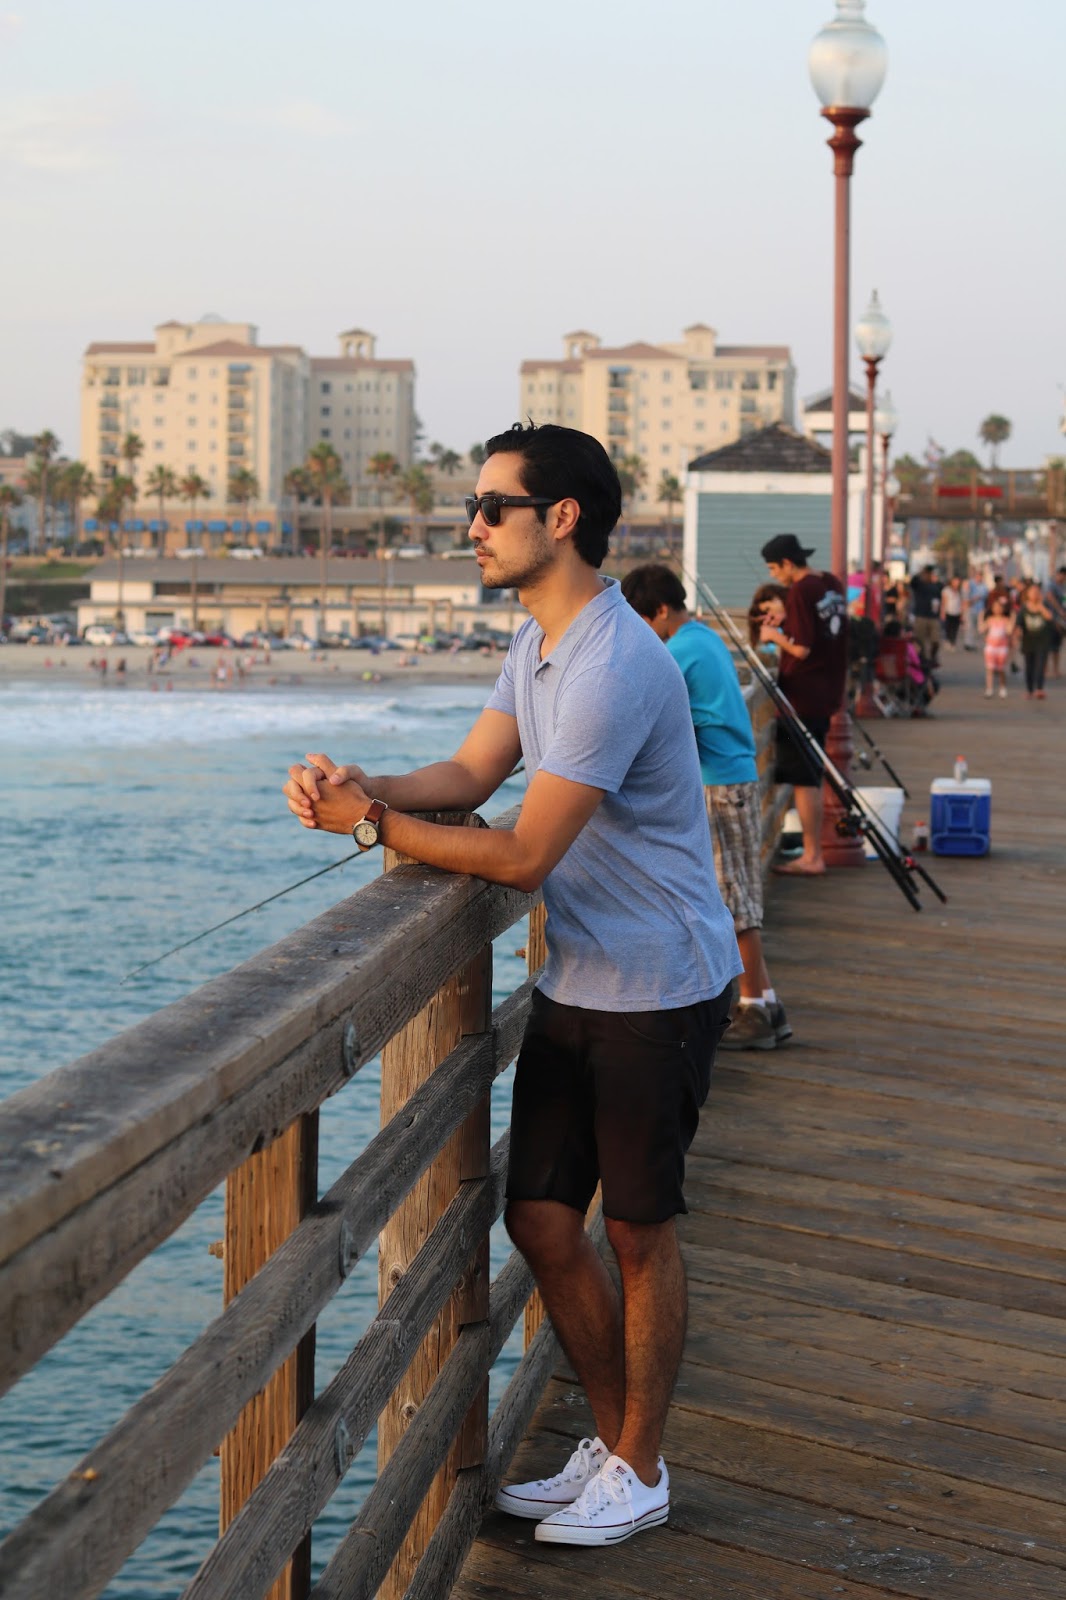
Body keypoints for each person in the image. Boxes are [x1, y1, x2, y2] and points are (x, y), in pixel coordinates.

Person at [282, 422, 741, 1546]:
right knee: (539, 1218)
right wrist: (370, 785)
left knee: (637, 1231)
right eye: (472, 509)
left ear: (561, 518)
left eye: (493, 508)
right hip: (582, 975)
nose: (473, 527)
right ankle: (614, 1446)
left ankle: (641, 1466)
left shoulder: (613, 662)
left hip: (660, 983)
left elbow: (525, 854)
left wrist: (373, 826)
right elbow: (473, 770)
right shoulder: (536, 642)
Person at [621, 563, 790, 1052]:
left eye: (641, 620)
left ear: (660, 611)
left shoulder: (679, 651)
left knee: (732, 903)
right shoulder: (706, 637)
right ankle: (767, 1002)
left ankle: (753, 1009)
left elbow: (642, 708)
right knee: (736, 894)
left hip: (717, 784)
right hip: (735, 776)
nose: (641, 633)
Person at [758, 534, 847, 877]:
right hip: (827, 691)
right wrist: (786, 625)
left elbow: (802, 649)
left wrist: (773, 636)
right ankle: (813, 852)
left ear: (787, 563)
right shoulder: (830, 584)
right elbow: (818, 633)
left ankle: (812, 855)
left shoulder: (799, 591)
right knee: (810, 774)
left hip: (802, 699)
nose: (773, 575)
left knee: (805, 779)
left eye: (773, 568)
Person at [1014, 582, 1055, 700]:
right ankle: (1029, 690)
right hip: (1028, 642)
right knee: (1029, 666)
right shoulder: (1024, 607)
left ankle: (1039, 689)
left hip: (1043, 641)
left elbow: (1049, 617)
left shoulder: (1044, 605)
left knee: (1040, 665)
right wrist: (1017, 633)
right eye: (1032, 592)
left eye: (1037, 592)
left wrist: (1040, 605)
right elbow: (1018, 623)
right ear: (1028, 594)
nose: (1035, 594)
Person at [909, 564, 942, 665]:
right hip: (921, 616)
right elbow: (912, 582)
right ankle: (922, 659)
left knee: (935, 640)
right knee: (920, 640)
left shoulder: (936, 586)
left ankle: (932, 656)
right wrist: (921, 572)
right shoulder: (919, 585)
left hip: (933, 617)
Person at [981, 594, 1012, 699]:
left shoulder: (1005, 620)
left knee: (1001, 669)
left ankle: (1002, 688)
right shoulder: (990, 620)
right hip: (990, 647)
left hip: (1002, 648)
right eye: (995, 607)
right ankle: (989, 689)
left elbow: (1009, 631)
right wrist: (981, 617)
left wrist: (1013, 618)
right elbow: (981, 629)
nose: (997, 609)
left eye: (1000, 607)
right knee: (989, 668)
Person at [940, 576, 963, 650]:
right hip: (948, 612)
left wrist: (961, 613)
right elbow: (943, 602)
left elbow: (961, 603)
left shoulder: (960, 591)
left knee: (955, 628)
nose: (956, 583)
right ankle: (948, 641)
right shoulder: (946, 590)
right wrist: (942, 612)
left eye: (958, 582)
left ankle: (953, 642)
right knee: (948, 628)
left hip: (957, 612)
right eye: (955, 582)